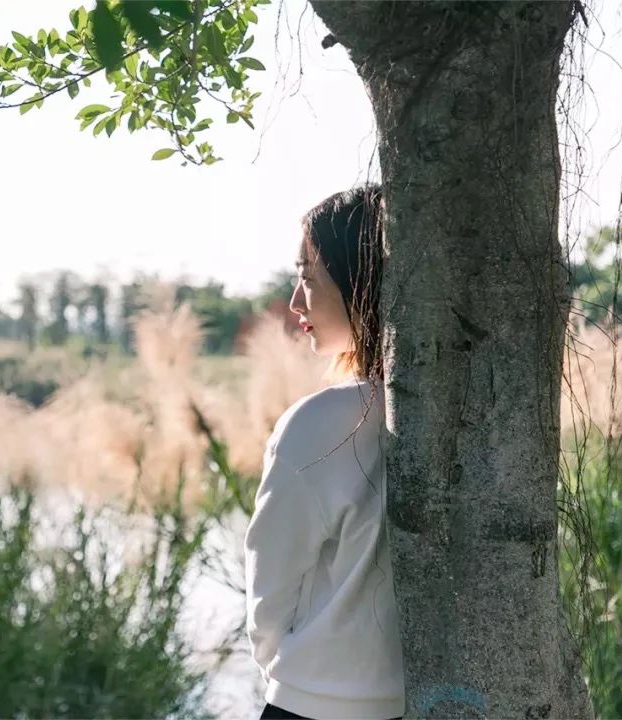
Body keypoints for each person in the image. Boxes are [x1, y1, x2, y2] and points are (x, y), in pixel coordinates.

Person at [245, 183, 406, 720]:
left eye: (307, 278)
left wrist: (286, 678)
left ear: (358, 283)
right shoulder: (464, 417)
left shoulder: (317, 424)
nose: (295, 303)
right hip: (418, 702)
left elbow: (269, 592)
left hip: (311, 705)